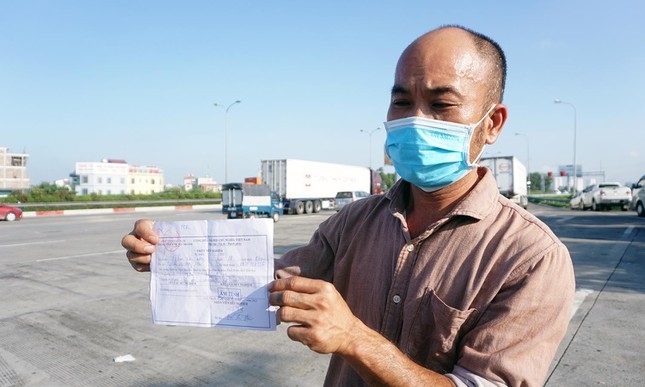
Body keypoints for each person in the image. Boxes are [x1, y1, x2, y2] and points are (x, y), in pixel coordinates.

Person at [123, 25, 575, 386]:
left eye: (441, 105)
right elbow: (270, 280)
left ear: (492, 123)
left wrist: (356, 339)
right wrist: (173, 256)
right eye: (402, 101)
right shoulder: (357, 220)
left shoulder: (532, 259)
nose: (416, 119)